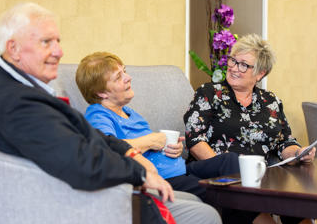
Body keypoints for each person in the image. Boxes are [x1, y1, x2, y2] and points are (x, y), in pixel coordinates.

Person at [0, 2, 223, 224]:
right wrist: (138, 172)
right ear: (14, 49)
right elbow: (80, 160)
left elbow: (88, 135)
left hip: (79, 193)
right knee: (207, 219)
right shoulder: (19, 103)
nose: (59, 51)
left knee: (196, 201)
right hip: (79, 208)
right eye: (46, 42)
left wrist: (129, 150)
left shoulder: (9, 88)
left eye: (58, 41)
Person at [184, 33, 317, 224]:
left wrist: (298, 152)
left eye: (243, 65)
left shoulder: (271, 102)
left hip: (259, 175)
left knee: (290, 178)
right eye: (233, 60)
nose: (233, 68)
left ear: (260, 73)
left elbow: (284, 141)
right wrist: (226, 171)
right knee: (235, 166)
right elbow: (195, 139)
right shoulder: (209, 93)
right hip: (218, 171)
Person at [74, 51, 240, 201]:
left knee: (230, 161)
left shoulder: (129, 112)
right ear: (101, 93)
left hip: (181, 168)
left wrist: (169, 148)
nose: (128, 77)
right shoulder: (97, 114)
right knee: (225, 192)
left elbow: (150, 145)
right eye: (118, 77)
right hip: (164, 179)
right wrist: (152, 140)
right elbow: (107, 149)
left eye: (124, 71)